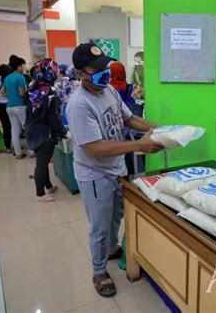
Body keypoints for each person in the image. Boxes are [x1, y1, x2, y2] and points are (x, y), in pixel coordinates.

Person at [66, 43, 164, 298]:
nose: (104, 73)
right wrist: (138, 145)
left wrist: (161, 129)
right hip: (95, 174)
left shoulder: (108, 90)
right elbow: (96, 148)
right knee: (99, 225)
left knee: (116, 216)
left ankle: (110, 249)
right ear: (80, 74)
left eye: (105, 67)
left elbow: (129, 119)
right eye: (96, 70)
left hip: (116, 168)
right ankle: (99, 271)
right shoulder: (79, 105)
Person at [25, 58, 63, 202]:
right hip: (44, 132)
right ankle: (40, 194)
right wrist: (61, 131)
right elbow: (52, 117)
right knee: (41, 163)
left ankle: (48, 185)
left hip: (31, 129)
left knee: (43, 160)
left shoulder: (32, 87)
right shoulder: (51, 92)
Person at [110, 61, 145, 174]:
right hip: (134, 132)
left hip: (115, 134)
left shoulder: (107, 92)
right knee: (136, 162)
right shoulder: (135, 89)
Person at [3, 56, 34, 159]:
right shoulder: (20, 77)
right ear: (19, 66)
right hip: (20, 106)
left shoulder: (7, 77)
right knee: (27, 128)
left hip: (9, 107)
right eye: (23, 65)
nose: (24, 67)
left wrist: (11, 96)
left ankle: (18, 153)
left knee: (15, 129)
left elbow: (2, 92)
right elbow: (21, 93)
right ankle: (31, 151)